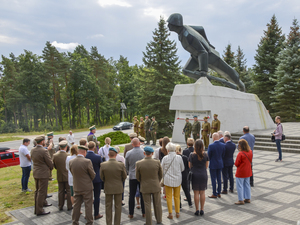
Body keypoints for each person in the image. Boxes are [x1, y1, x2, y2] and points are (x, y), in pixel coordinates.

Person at [136, 146, 163, 225]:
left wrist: (143, 181)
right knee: (157, 204)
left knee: (147, 205)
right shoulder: (157, 162)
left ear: (144, 153)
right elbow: (160, 175)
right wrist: (156, 181)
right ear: (152, 153)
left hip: (145, 186)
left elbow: (137, 177)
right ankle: (159, 221)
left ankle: (148, 222)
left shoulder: (139, 163)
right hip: (155, 185)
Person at [100, 147, 127, 225]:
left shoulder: (103, 165)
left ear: (108, 155)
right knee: (118, 206)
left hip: (108, 187)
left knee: (108, 206)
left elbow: (102, 177)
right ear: (116, 154)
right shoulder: (120, 165)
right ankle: (117, 223)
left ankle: (108, 223)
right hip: (118, 187)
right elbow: (124, 176)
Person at [69, 145, 95, 225]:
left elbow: (72, 172)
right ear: (84, 152)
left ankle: (75, 221)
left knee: (76, 205)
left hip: (77, 186)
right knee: (88, 205)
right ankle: (89, 221)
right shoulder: (87, 161)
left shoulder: (71, 161)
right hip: (86, 187)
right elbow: (93, 174)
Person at [31, 135, 53, 216]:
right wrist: (51, 167)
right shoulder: (44, 151)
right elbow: (49, 161)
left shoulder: (33, 150)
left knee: (37, 190)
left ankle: (39, 206)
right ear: (42, 141)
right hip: (43, 173)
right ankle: (39, 210)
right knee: (41, 191)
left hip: (36, 172)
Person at [161, 142, 184, 219]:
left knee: (169, 197)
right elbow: (182, 168)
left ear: (167, 150)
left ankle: (170, 213)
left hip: (168, 180)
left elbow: (162, 169)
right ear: (174, 150)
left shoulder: (165, 158)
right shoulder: (179, 158)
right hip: (177, 179)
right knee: (177, 196)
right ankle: (177, 213)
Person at [125, 138, 145, 218]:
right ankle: (144, 212)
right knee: (142, 194)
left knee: (132, 195)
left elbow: (126, 166)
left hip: (132, 176)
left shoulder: (128, 153)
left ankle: (131, 213)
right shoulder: (143, 152)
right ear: (139, 143)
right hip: (142, 176)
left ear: (132, 144)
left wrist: (129, 172)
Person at [189, 139, 209, 216]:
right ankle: (202, 209)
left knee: (196, 193)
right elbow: (206, 166)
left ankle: (197, 209)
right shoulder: (206, 155)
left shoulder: (192, 155)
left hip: (195, 174)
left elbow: (189, 166)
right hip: (203, 174)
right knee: (202, 192)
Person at [85, 141, 103, 220]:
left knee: (87, 198)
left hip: (87, 179)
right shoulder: (98, 157)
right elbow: (101, 167)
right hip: (96, 179)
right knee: (97, 197)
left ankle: (88, 214)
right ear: (94, 148)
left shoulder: (84, 156)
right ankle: (96, 214)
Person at [52, 140, 72, 211]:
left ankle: (60, 205)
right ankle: (69, 206)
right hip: (67, 175)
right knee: (69, 191)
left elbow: (54, 165)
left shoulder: (55, 156)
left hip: (59, 174)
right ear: (66, 147)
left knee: (61, 191)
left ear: (59, 147)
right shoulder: (69, 155)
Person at [235, 139, 252, 205]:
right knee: (247, 185)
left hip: (241, 172)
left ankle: (241, 199)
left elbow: (236, 163)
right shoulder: (250, 152)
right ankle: (248, 198)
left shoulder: (240, 154)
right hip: (248, 171)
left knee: (240, 186)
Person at [207, 133, 225, 198]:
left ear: (213, 138)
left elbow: (208, 156)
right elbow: (223, 154)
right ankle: (219, 192)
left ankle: (214, 193)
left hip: (213, 164)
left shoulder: (211, 146)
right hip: (220, 163)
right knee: (219, 178)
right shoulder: (223, 145)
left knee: (213, 179)